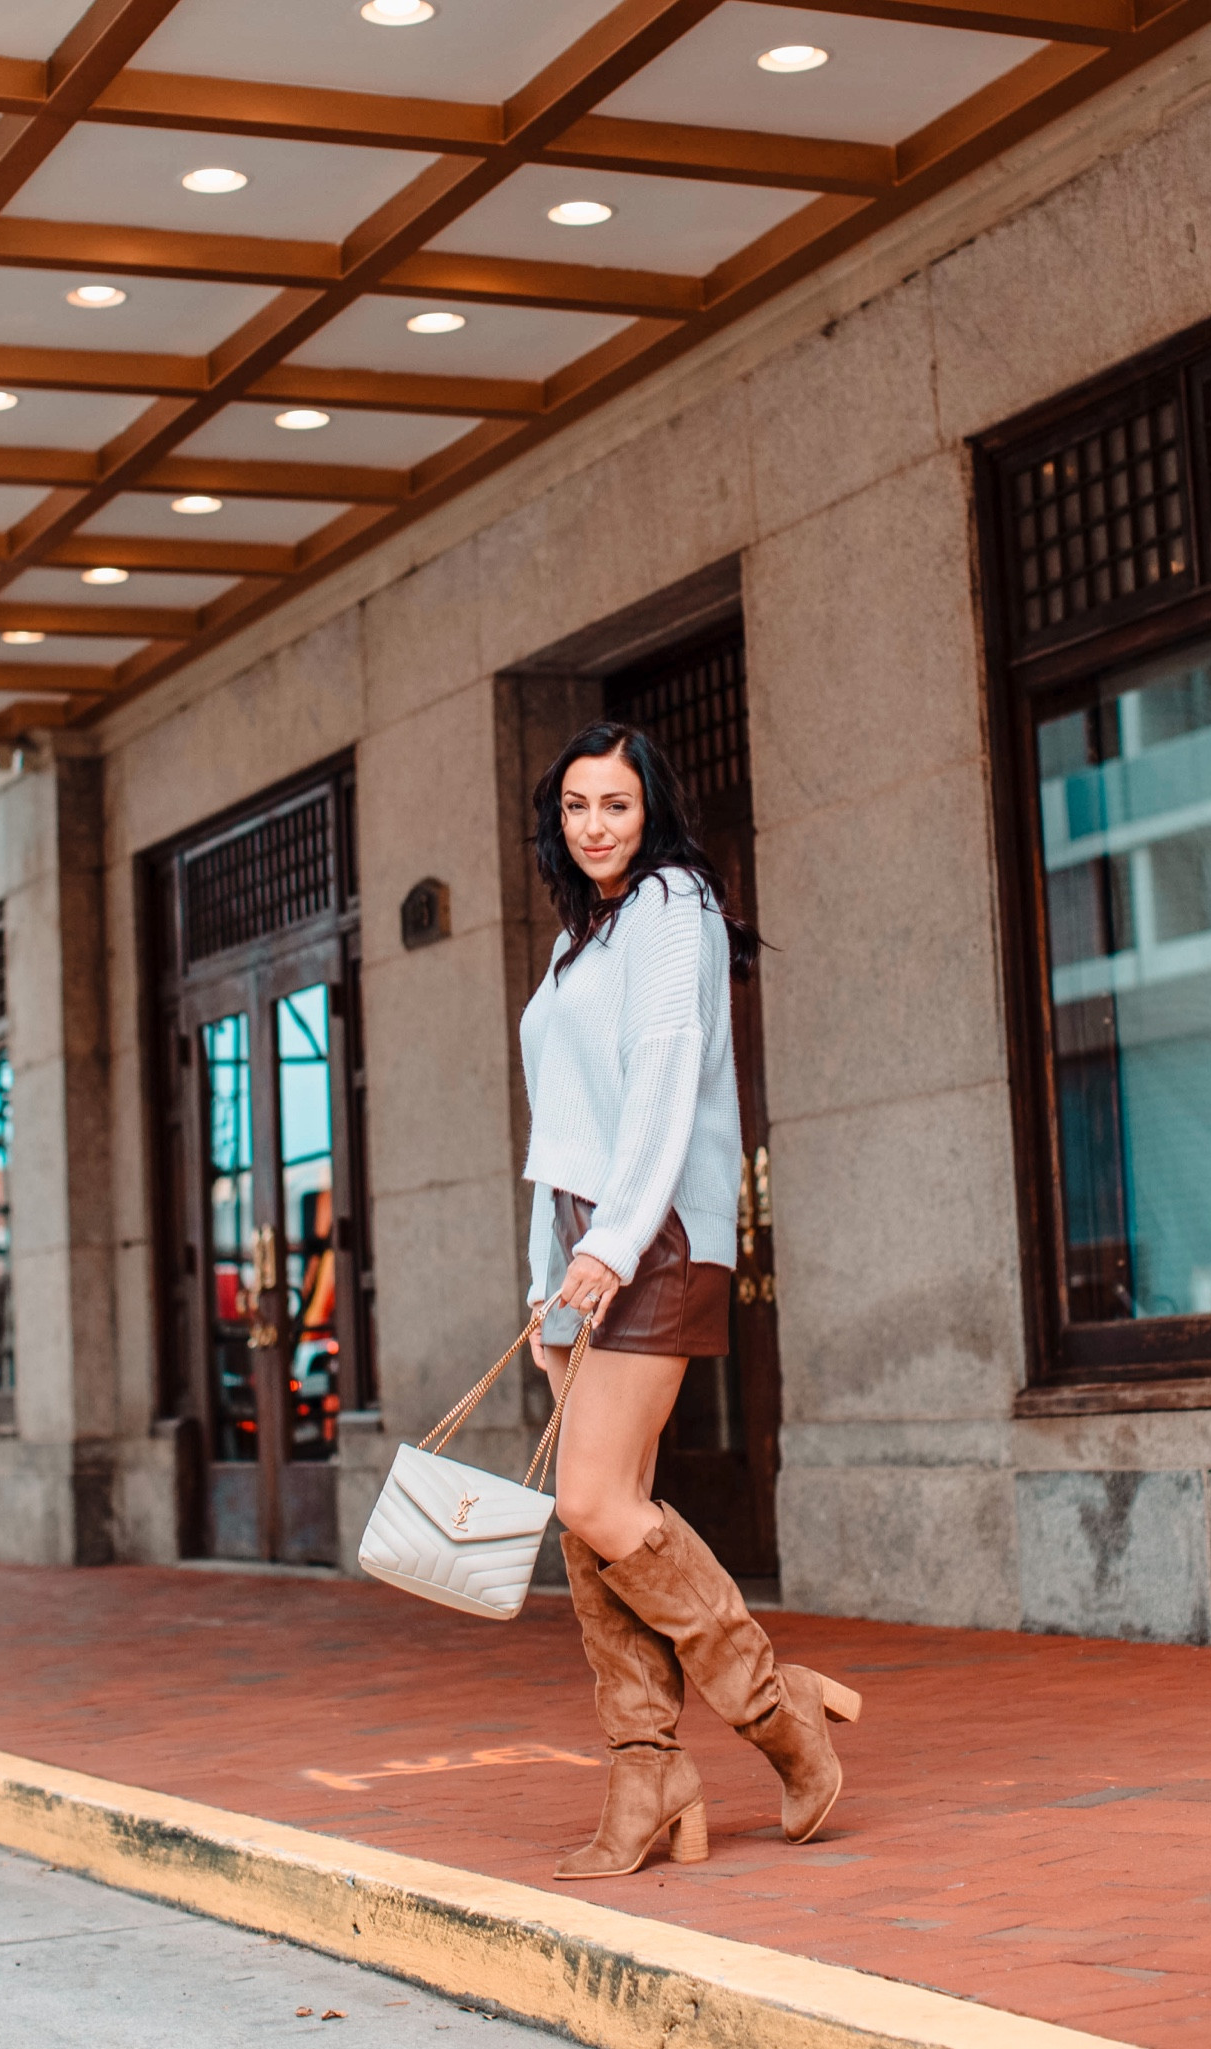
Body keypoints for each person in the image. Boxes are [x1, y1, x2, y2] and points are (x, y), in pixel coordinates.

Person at [521, 721, 861, 1882]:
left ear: (650, 809)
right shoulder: (587, 934)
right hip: (587, 1241)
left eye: (614, 804)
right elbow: (559, 1130)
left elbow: (666, 1078)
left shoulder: (673, 903)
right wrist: (547, 1279)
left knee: (598, 1501)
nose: (594, 826)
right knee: (589, 1513)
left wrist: (613, 1244)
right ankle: (645, 1769)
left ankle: (777, 1717)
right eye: (575, 806)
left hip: (650, 1232)